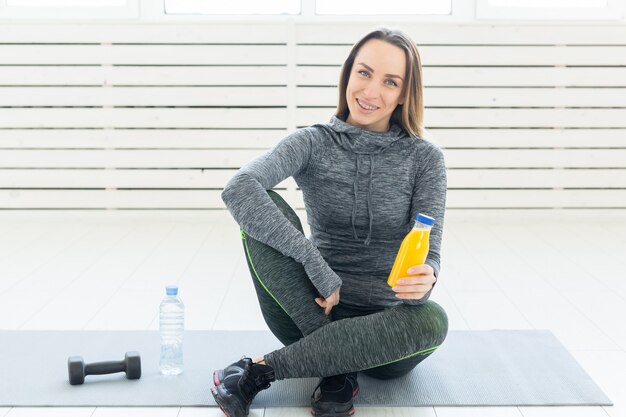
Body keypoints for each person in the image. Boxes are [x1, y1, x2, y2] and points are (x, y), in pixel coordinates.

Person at [211, 28, 448, 417]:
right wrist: (313, 263)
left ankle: (264, 370)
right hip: (310, 313)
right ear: (348, 75)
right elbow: (238, 188)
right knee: (261, 202)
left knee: (433, 320)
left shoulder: (425, 159)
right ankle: (333, 363)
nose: (371, 92)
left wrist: (427, 277)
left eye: (390, 82)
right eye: (364, 73)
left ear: (405, 94)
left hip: (384, 333)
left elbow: (430, 251)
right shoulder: (312, 142)